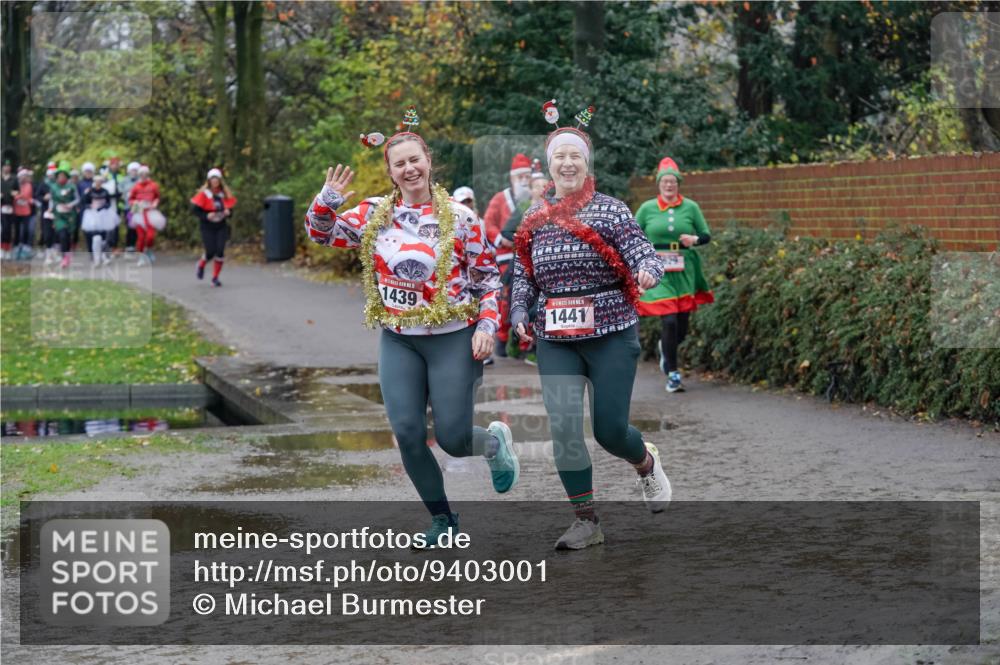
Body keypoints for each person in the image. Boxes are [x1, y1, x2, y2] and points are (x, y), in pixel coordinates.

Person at [303, 111, 519, 547]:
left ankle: (493, 446)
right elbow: (320, 234)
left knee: (455, 440)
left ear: (428, 161)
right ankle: (443, 519)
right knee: (407, 432)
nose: (409, 169)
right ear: (390, 172)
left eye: (414, 160)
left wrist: (487, 326)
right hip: (399, 338)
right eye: (399, 163)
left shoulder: (460, 219)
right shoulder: (373, 216)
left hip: (454, 338)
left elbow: (489, 278)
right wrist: (327, 199)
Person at [510, 107, 671, 550]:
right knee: (563, 428)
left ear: (586, 164)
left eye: (575, 156)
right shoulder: (533, 218)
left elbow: (642, 250)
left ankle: (644, 462)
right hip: (555, 339)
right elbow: (523, 273)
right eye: (559, 156)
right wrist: (519, 312)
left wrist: (647, 271)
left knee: (608, 430)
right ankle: (586, 521)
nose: (567, 163)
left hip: (611, 333)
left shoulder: (611, 210)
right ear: (549, 165)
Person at [635, 157, 714, 393]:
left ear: (678, 184)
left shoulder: (690, 207)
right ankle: (673, 373)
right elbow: (632, 235)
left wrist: (695, 240)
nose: (669, 185)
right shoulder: (647, 208)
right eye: (665, 182)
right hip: (657, 268)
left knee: (682, 326)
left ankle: (665, 349)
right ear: (659, 185)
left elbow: (706, 234)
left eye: (673, 182)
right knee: (668, 319)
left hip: (685, 267)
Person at [483, 153, 533, 358]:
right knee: (505, 300)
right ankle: (502, 340)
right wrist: (499, 240)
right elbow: (488, 222)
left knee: (528, 300)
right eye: (519, 176)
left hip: (527, 256)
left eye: (526, 176)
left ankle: (524, 345)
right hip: (505, 257)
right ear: (512, 177)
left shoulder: (533, 199)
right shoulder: (500, 198)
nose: (523, 180)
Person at [499, 159, 549, 365]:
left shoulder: (554, 207)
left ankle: (536, 348)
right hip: (524, 262)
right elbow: (506, 232)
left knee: (542, 305)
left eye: (544, 186)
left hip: (546, 264)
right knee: (522, 304)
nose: (540, 189)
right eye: (536, 186)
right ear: (531, 189)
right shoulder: (524, 207)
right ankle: (515, 340)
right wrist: (525, 239)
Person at [191, 167, 236, 286]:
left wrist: (228, 213)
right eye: (212, 180)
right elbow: (195, 211)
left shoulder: (224, 194)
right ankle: (201, 265)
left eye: (217, 179)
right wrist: (206, 215)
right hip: (207, 226)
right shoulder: (204, 194)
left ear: (220, 180)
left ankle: (215, 278)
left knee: (220, 251)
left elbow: (231, 211)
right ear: (209, 181)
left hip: (221, 226)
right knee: (210, 251)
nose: (215, 182)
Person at [127, 164, 164, 265]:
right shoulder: (135, 187)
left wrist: (155, 202)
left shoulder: (153, 185)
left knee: (150, 236)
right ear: (139, 175)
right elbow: (130, 199)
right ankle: (141, 256)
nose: (143, 176)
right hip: (139, 213)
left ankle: (149, 250)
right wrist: (134, 203)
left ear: (148, 174)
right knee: (141, 237)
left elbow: (157, 196)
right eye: (141, 174)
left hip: (151, 213)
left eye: (145, 174)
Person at [80, 174, 117, 265]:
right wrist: (90, 206)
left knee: (104, 237)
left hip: (104, 215)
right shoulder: (89, 191)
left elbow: (108, 203)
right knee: (95, 237)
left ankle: (104, 255)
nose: (98, 183)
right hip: (92, 215)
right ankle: (96, 258)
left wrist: (103, 206)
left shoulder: (105, 191)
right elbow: (84, 202)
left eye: (100, 182)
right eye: (96, 182)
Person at [49, 163, 79, 268]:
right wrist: (51, 210)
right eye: (59, 176)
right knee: (62, 234)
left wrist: (70, 205)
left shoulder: (71, 186)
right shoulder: (53, 187)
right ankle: (64, 258)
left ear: (67, 177)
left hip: (70, 215)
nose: (61, 178)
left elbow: (77, 199)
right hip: (58, 215)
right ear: (57, 177)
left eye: (63, 176)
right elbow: (51, 200)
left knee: (67, 236)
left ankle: (67, 255)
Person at [12, 168, 34, 260]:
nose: (23, 178)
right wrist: (17, 196)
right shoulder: (15, 185)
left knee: (26, 230)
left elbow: (25, 195)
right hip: (16, 211)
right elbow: (11, 196)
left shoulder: (28, 185)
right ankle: (16, 249)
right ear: (19, 177)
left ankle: (25, 249)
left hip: (26, 211)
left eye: (25, 176)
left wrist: (17, 195)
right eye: (22, 176)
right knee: (17, 231)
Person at [121, 161, 140, 252]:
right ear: (129, 171)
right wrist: (126, 194)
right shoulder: (124, 180)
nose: (134, 172)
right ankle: (129, 245)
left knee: (137, 225)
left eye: (136, 171)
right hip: (127, 206)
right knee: (130, 225)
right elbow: (120, 191)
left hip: (138, 206)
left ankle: (137, 244)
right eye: (132, 170)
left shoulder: (140, 181)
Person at [1, 159, 16, 259]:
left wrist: (14, 194)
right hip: (1, 207)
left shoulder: (14, 179)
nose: (7, 168)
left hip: (10, 207)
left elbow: (18, 191)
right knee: (2, 229)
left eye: (8, 166)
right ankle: (2, 249)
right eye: (5, 166)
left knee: (8, 228)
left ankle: (8, 249)